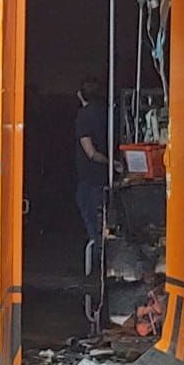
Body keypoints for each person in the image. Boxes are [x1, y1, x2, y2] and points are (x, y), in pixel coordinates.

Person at [74, 78, 111, 248]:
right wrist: (114, 164)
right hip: (107, 177)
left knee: (92, 220)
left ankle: (97, 261)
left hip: (89, 177)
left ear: (80, 95)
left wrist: (109, 162)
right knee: (106, 219)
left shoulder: (83, 116)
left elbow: (91, 153)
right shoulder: (108, 113)